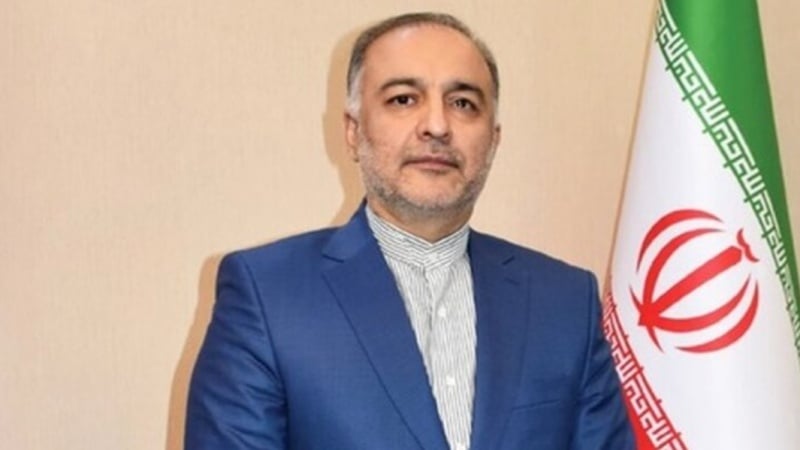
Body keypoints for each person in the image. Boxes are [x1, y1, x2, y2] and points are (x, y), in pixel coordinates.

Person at [185, 12, 634, 450]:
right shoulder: (268, 295)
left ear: (493, 140)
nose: (437, 126)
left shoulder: (566, 303)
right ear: (353, 131)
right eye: (403, 99)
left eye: (463, 103)